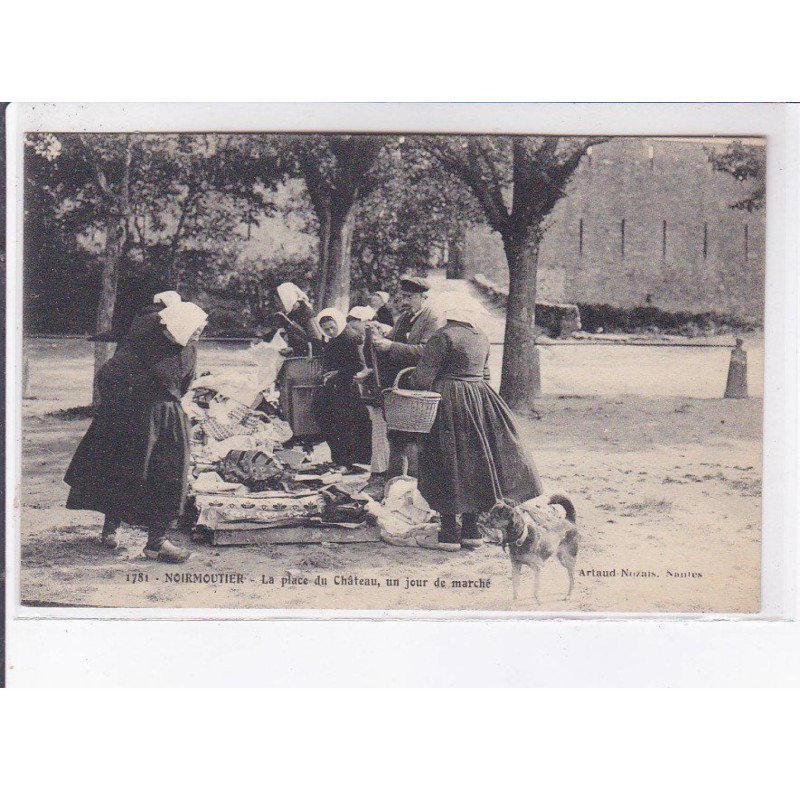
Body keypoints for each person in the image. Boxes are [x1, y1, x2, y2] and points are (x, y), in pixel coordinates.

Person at [65, 294, 208, 563]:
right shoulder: (143, 346)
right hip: (135, 415)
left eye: (200, 330)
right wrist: (121, 407)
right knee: (128, 471)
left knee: (170, 477)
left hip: (170, 417)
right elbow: (107, 377)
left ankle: (157, 542)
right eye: (195, 329)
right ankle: (111, 527)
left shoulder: (188, 349)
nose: (198, 334)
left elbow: (187, 382)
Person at [408, 301, 544, 551]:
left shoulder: (442, 337)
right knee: (476, 462)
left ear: (449, 314)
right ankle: (471, 531)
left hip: (447, 401)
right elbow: (486, 375)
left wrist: (411, 381)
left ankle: (448, 532)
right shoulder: (480, 336)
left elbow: (423, 378)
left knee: (446, 460)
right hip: (480, 399)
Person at [369, 275, 445, 477]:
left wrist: (391, 346)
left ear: (423, 297)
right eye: (404, 296)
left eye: (410, 297)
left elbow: (427, 351)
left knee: (414, 435)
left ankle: (415, 481)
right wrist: (381, 334)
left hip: (418, 383)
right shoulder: (405, 317)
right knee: (396, 432)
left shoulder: (432, 318)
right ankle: (394, 481)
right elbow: (393, 337)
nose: (405, 301)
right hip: (399, 382)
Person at [311, 307, 372, 468]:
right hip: (337, 386)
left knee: (344, 425)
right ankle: (342, 460)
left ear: (339, 322)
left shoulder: (350, 337)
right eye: (326, 329)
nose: (331, 331)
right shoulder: (335, 338)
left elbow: (358, 365)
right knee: (331, 420)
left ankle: (348, 462)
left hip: (347, 387)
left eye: (332, 327)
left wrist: (336, 373)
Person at [275, 281, 323, 354]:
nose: (278, 305)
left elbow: (317, 343)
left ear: (287, 298)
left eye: (279, 301)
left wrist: (293, 349)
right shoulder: (291, 315)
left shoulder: (307, 314)